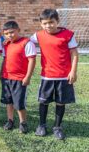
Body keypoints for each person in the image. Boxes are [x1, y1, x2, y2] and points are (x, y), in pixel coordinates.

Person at [30, 9, 79, 140]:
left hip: (64, 76)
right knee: (43, 101)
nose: (48, 26)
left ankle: (57, 127)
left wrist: (73, 71)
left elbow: (74, 53)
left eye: (51, 22)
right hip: (47, 76)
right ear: (41, 24)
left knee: (61, 102)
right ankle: (42, 125)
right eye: (45, 23)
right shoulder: (38, 35)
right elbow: (26, 43)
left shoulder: (68, 35)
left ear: (57, 21)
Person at [1, 21, 36, 134]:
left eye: (12, 32)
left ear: (18, 30)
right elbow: (5, 59)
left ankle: (23, 122)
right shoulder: (6, 44)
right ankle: (10, 120)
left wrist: (28, 77)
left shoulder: (26, 43)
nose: (9, 35)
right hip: (6, 77)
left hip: (19, 78)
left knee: (19, 103)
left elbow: (32, 60)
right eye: (6, 33)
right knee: (8, 101)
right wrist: (2, 73)